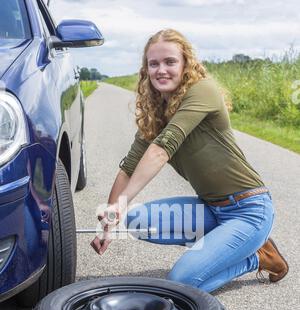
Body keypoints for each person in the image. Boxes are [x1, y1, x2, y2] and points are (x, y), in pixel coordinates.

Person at [91, 29, 288, 293]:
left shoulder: (202, 90)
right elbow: (128, 169)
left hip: (249, 210)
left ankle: (258, 257)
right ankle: (226, 245)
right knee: (134, 219)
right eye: (154, 63)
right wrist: (109, 224)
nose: (161, 69)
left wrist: (120, 203)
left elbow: (162, 149)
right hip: (211, 211)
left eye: (170, 61)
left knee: (180, 284)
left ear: (185, 64)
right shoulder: (155, 115)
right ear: (146, 70)